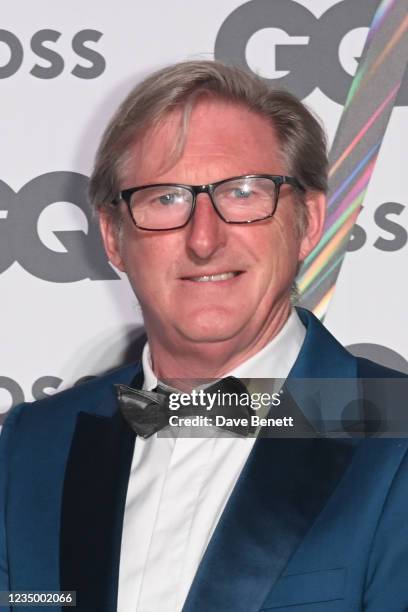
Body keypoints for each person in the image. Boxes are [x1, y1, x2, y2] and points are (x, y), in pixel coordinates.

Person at [0, 60, 407, 612]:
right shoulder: (32, 446)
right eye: (165, 198)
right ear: (114, 239)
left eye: (243, 193)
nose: (203, 239)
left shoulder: (396, 434)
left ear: (308, 222)